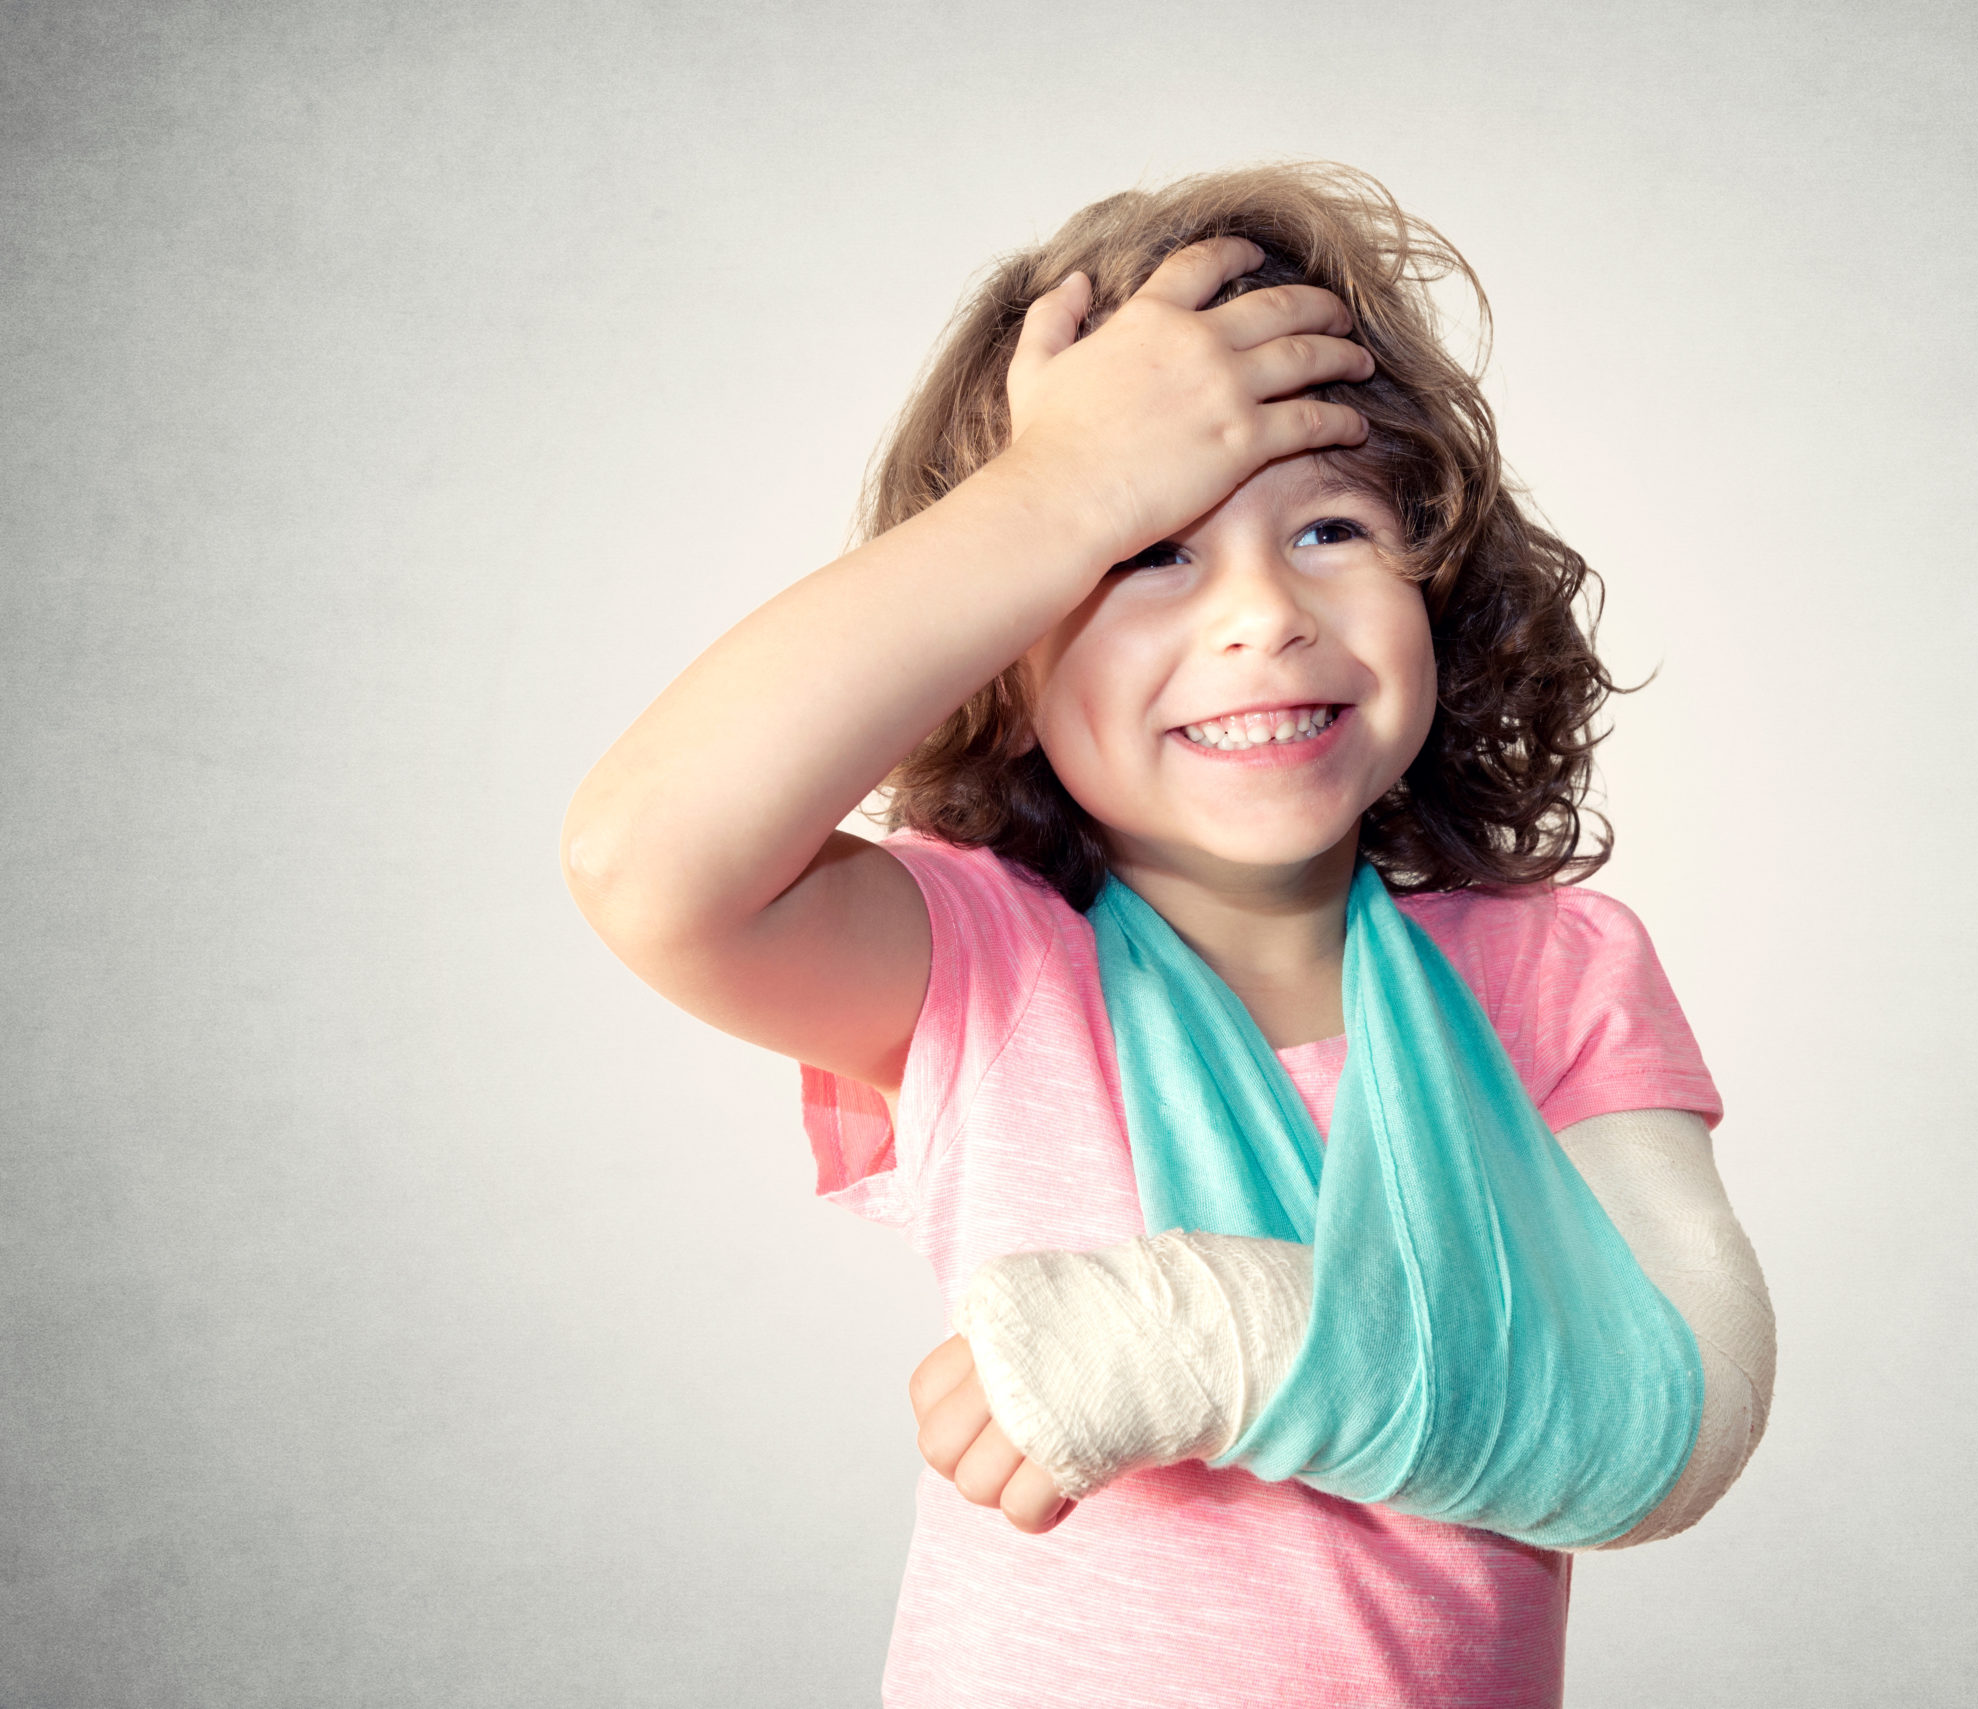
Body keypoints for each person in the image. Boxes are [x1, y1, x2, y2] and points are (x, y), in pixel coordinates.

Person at [561, 162, 1775, 1709]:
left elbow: (1665, 1428)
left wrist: (1207, 1341)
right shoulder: (982, 970)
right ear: (1002, 640)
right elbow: (646, 862)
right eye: (1150, 552)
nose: (1262, 613)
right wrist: (1058, 488)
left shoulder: (1554, 973)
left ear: (1439, 578)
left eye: (1328, 525)